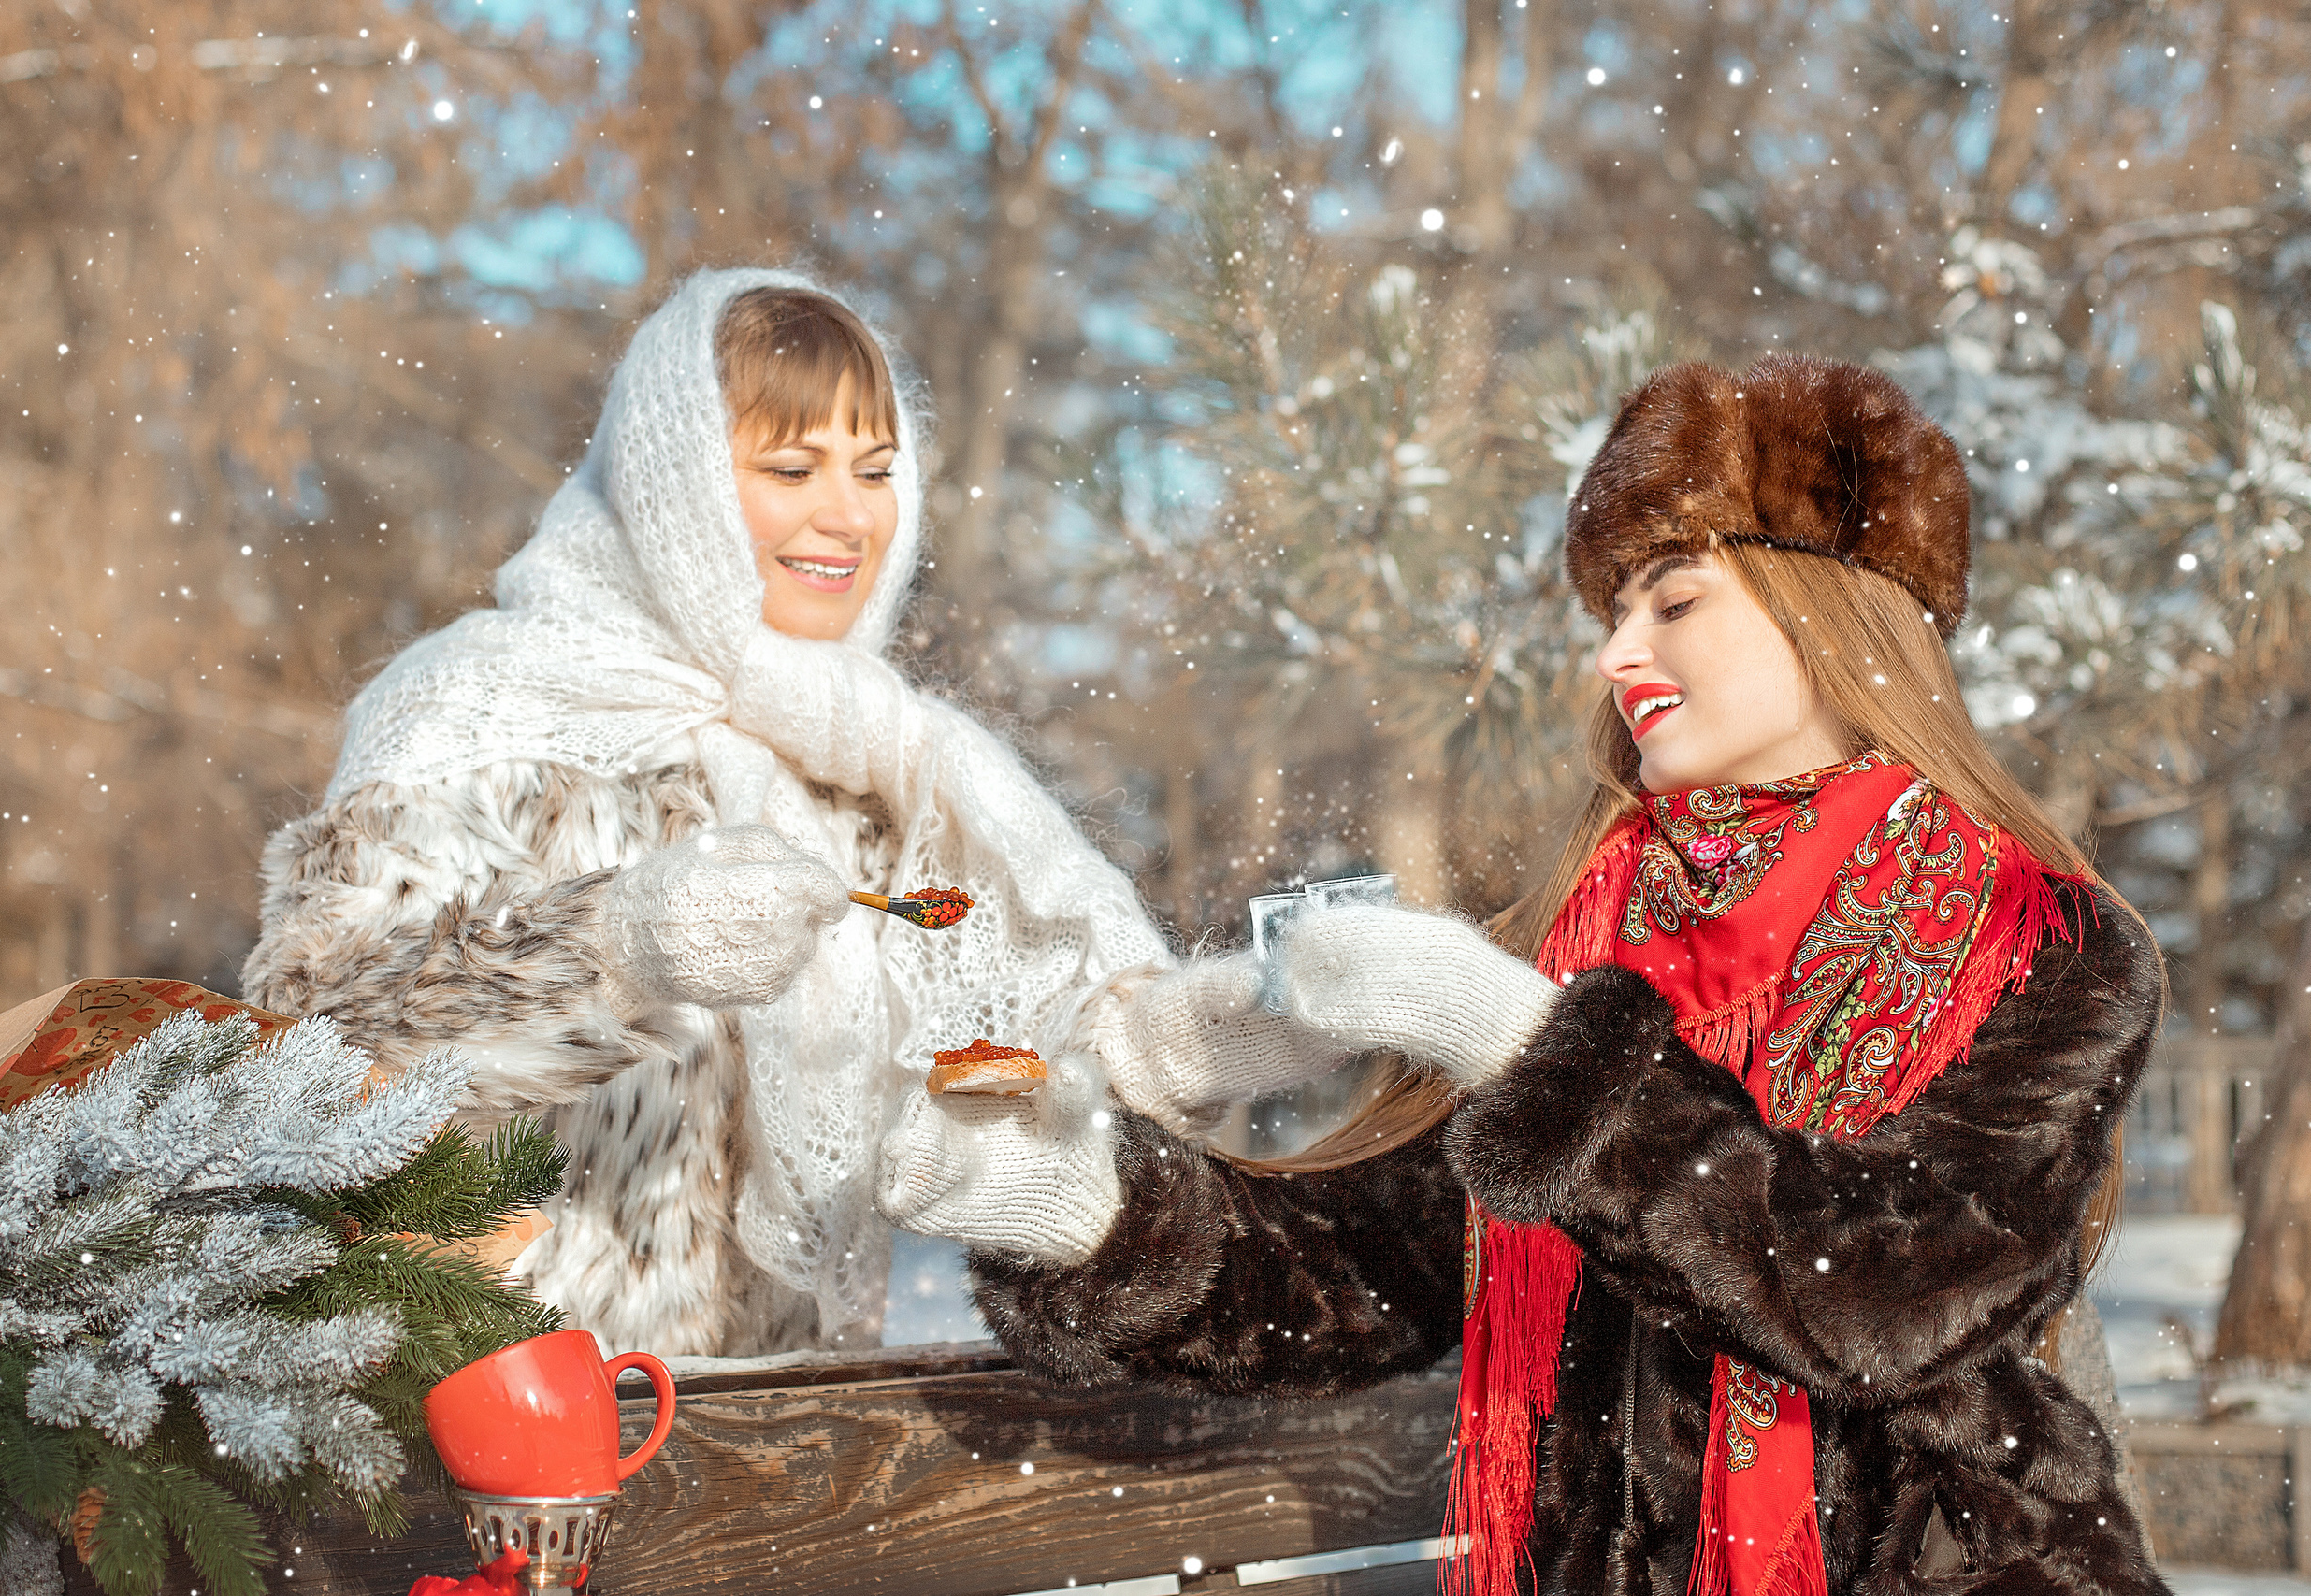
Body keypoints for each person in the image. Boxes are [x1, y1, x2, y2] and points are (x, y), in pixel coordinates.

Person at [880, 355, 2169, 1594]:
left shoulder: (2040, 936)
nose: (1615, 655)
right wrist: (1080, 1209)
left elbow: (1887, 1285)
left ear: (1825, 606)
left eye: (1672, 600)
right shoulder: (1573, 941)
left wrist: (1533, 1051)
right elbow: (1371, 1274)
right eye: (1613, 613)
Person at [243, 268, 1347, 1358]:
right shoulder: (472, 707)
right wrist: (619, 949)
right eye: (790, 465)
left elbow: (1005, 1052)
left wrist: (1202, 1037)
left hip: (778, 1440)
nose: (847, 515)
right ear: (675, 487)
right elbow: (314, 1045)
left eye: (874, 471)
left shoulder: (878, 757)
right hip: (500, 1421)